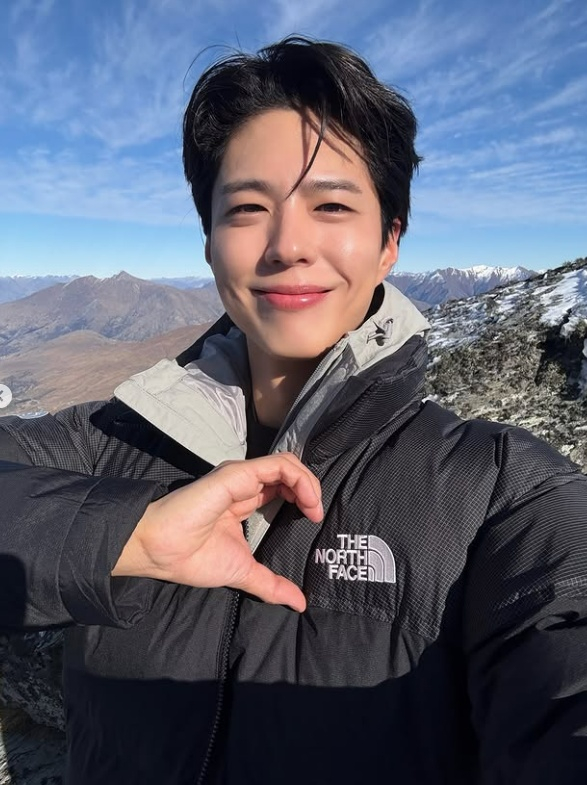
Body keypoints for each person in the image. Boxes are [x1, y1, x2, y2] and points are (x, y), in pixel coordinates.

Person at [1, 35, 586, 785]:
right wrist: (127, 534)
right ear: (209, 244)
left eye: (332, 205)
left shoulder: (504, 494)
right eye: (247, 208)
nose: (287, 244)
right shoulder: (106, 444)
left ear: (389, 243)